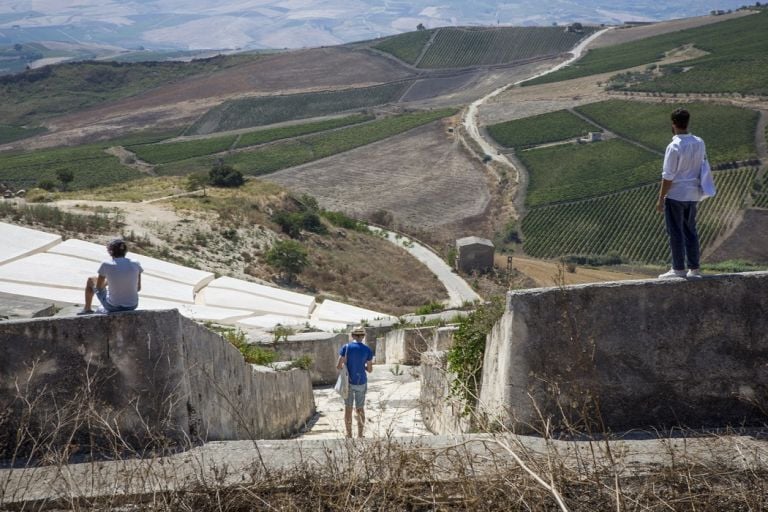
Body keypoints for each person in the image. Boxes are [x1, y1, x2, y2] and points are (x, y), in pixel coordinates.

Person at [656, 108, 709, 279]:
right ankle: (694, 269)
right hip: (693, 193)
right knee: (691, 230)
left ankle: (678, 269)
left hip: (676, 194)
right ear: (687, 122)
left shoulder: (674, 146)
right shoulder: (699, 142)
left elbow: (668, 176)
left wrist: (660, 199)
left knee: (675, 232)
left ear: (673, 124)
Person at [78, 238, 143, 315]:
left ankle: (87, 309)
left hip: (112, 307)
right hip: (132, 305)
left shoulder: (106, 264)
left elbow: (99, 287)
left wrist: (109, 281)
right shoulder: (136, 263)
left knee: (91, 280)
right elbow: (138, 288)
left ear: (110, 251)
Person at [336, 325, 373, 438]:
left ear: (352, 335)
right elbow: (370, 370)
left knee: (348, 409)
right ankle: (360, 435)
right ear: (363, 336)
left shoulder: (346, 348)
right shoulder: (367, 350)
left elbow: (338, 366)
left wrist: (348, 364)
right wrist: (363, 367)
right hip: (361, 382)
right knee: (360, 409)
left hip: (349, 383)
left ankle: (349, 434)